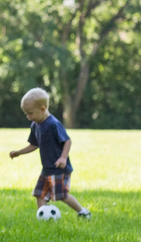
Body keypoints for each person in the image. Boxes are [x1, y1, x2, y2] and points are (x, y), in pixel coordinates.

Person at [10, 88, 91, 219]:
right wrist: (19, 152)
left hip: (59, 169)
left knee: (62, 195)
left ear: (42, 109)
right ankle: (44, 218)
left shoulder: (53, 124)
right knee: (39, 194)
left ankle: (83, 212)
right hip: (47, 169)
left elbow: (67, 141)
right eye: (26, 113)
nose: (28, 117)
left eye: (30, 113)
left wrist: (63, 158)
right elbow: (34, 144)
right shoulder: (35, 125)